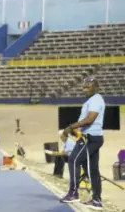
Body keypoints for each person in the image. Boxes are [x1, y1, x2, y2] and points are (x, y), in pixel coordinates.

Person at [60, 77, 105, 210]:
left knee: (73, 160)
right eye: (84, 87)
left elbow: (90, 119)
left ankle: (73, 193)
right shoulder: (92, 99)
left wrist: (70, 127)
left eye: (87, 87)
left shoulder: (96, 99)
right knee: (92, 169)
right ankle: (97, 201)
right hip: (93, 137)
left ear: (95, 87)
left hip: (90, 138)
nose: (84, 90)